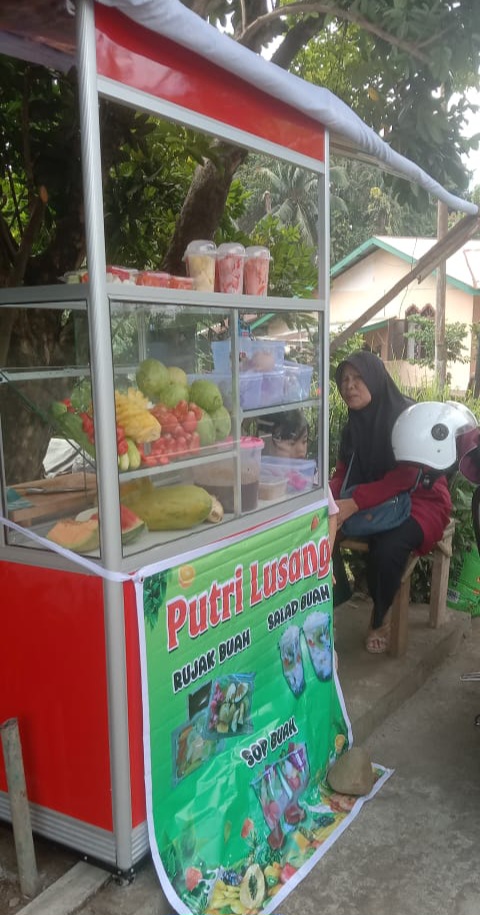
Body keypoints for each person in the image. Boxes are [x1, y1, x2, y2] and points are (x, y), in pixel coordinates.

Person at [330, 351, 452, 654]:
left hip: (420, 497)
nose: (350, 386)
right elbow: (343, 472)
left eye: (358, 378)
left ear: (375, 378)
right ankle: (335, 600)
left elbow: (406, 476)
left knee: (387, 548)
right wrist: (328, 502)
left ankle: (379, 615)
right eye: (344, 380)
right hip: (371, 498)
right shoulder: (354, 426)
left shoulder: (406, 417)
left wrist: (354, 503)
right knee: (318, 529)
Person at [259, 409, 339, 551]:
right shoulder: (262, 476)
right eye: (291, 443)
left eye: (304, 441)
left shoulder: (313, 476)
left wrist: (326, 559)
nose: (300, 450)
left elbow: (332, 514)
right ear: (267, 443)